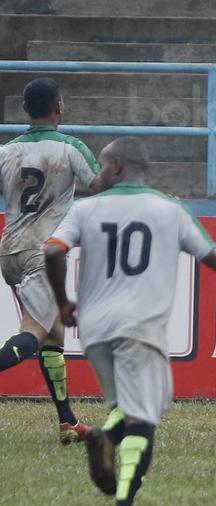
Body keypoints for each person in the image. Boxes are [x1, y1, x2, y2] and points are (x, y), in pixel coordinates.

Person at [43, 137, 216, 506]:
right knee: (145, 417)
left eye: (103, 165)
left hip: (94, 330)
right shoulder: (170, 210)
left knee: (131, 405)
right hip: (141, 327)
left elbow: (53, 251)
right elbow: (215, 260)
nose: (99, 173)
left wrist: (64, 304)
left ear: (119, 166)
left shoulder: (86, 209)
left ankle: (104, 436)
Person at [0, 78, 103, 443]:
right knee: (34, 333)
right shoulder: (70, 147)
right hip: (42, 253)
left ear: (25, 108)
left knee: (53, 335)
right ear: (60, 106)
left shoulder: (6, 151)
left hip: (10, 250)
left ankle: (67, 422)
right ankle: (67, 422)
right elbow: (99, 183)